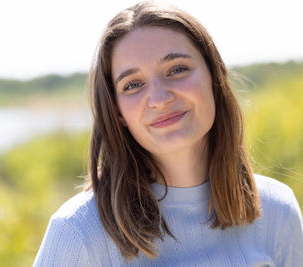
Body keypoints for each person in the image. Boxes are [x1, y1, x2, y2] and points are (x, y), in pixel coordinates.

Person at [33, 1, 303, 266]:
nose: (159, 99)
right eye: (133, 84)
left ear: (215, 76)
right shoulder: (78, 232)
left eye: (177, 69)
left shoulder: (277, 210)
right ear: (117, 112)